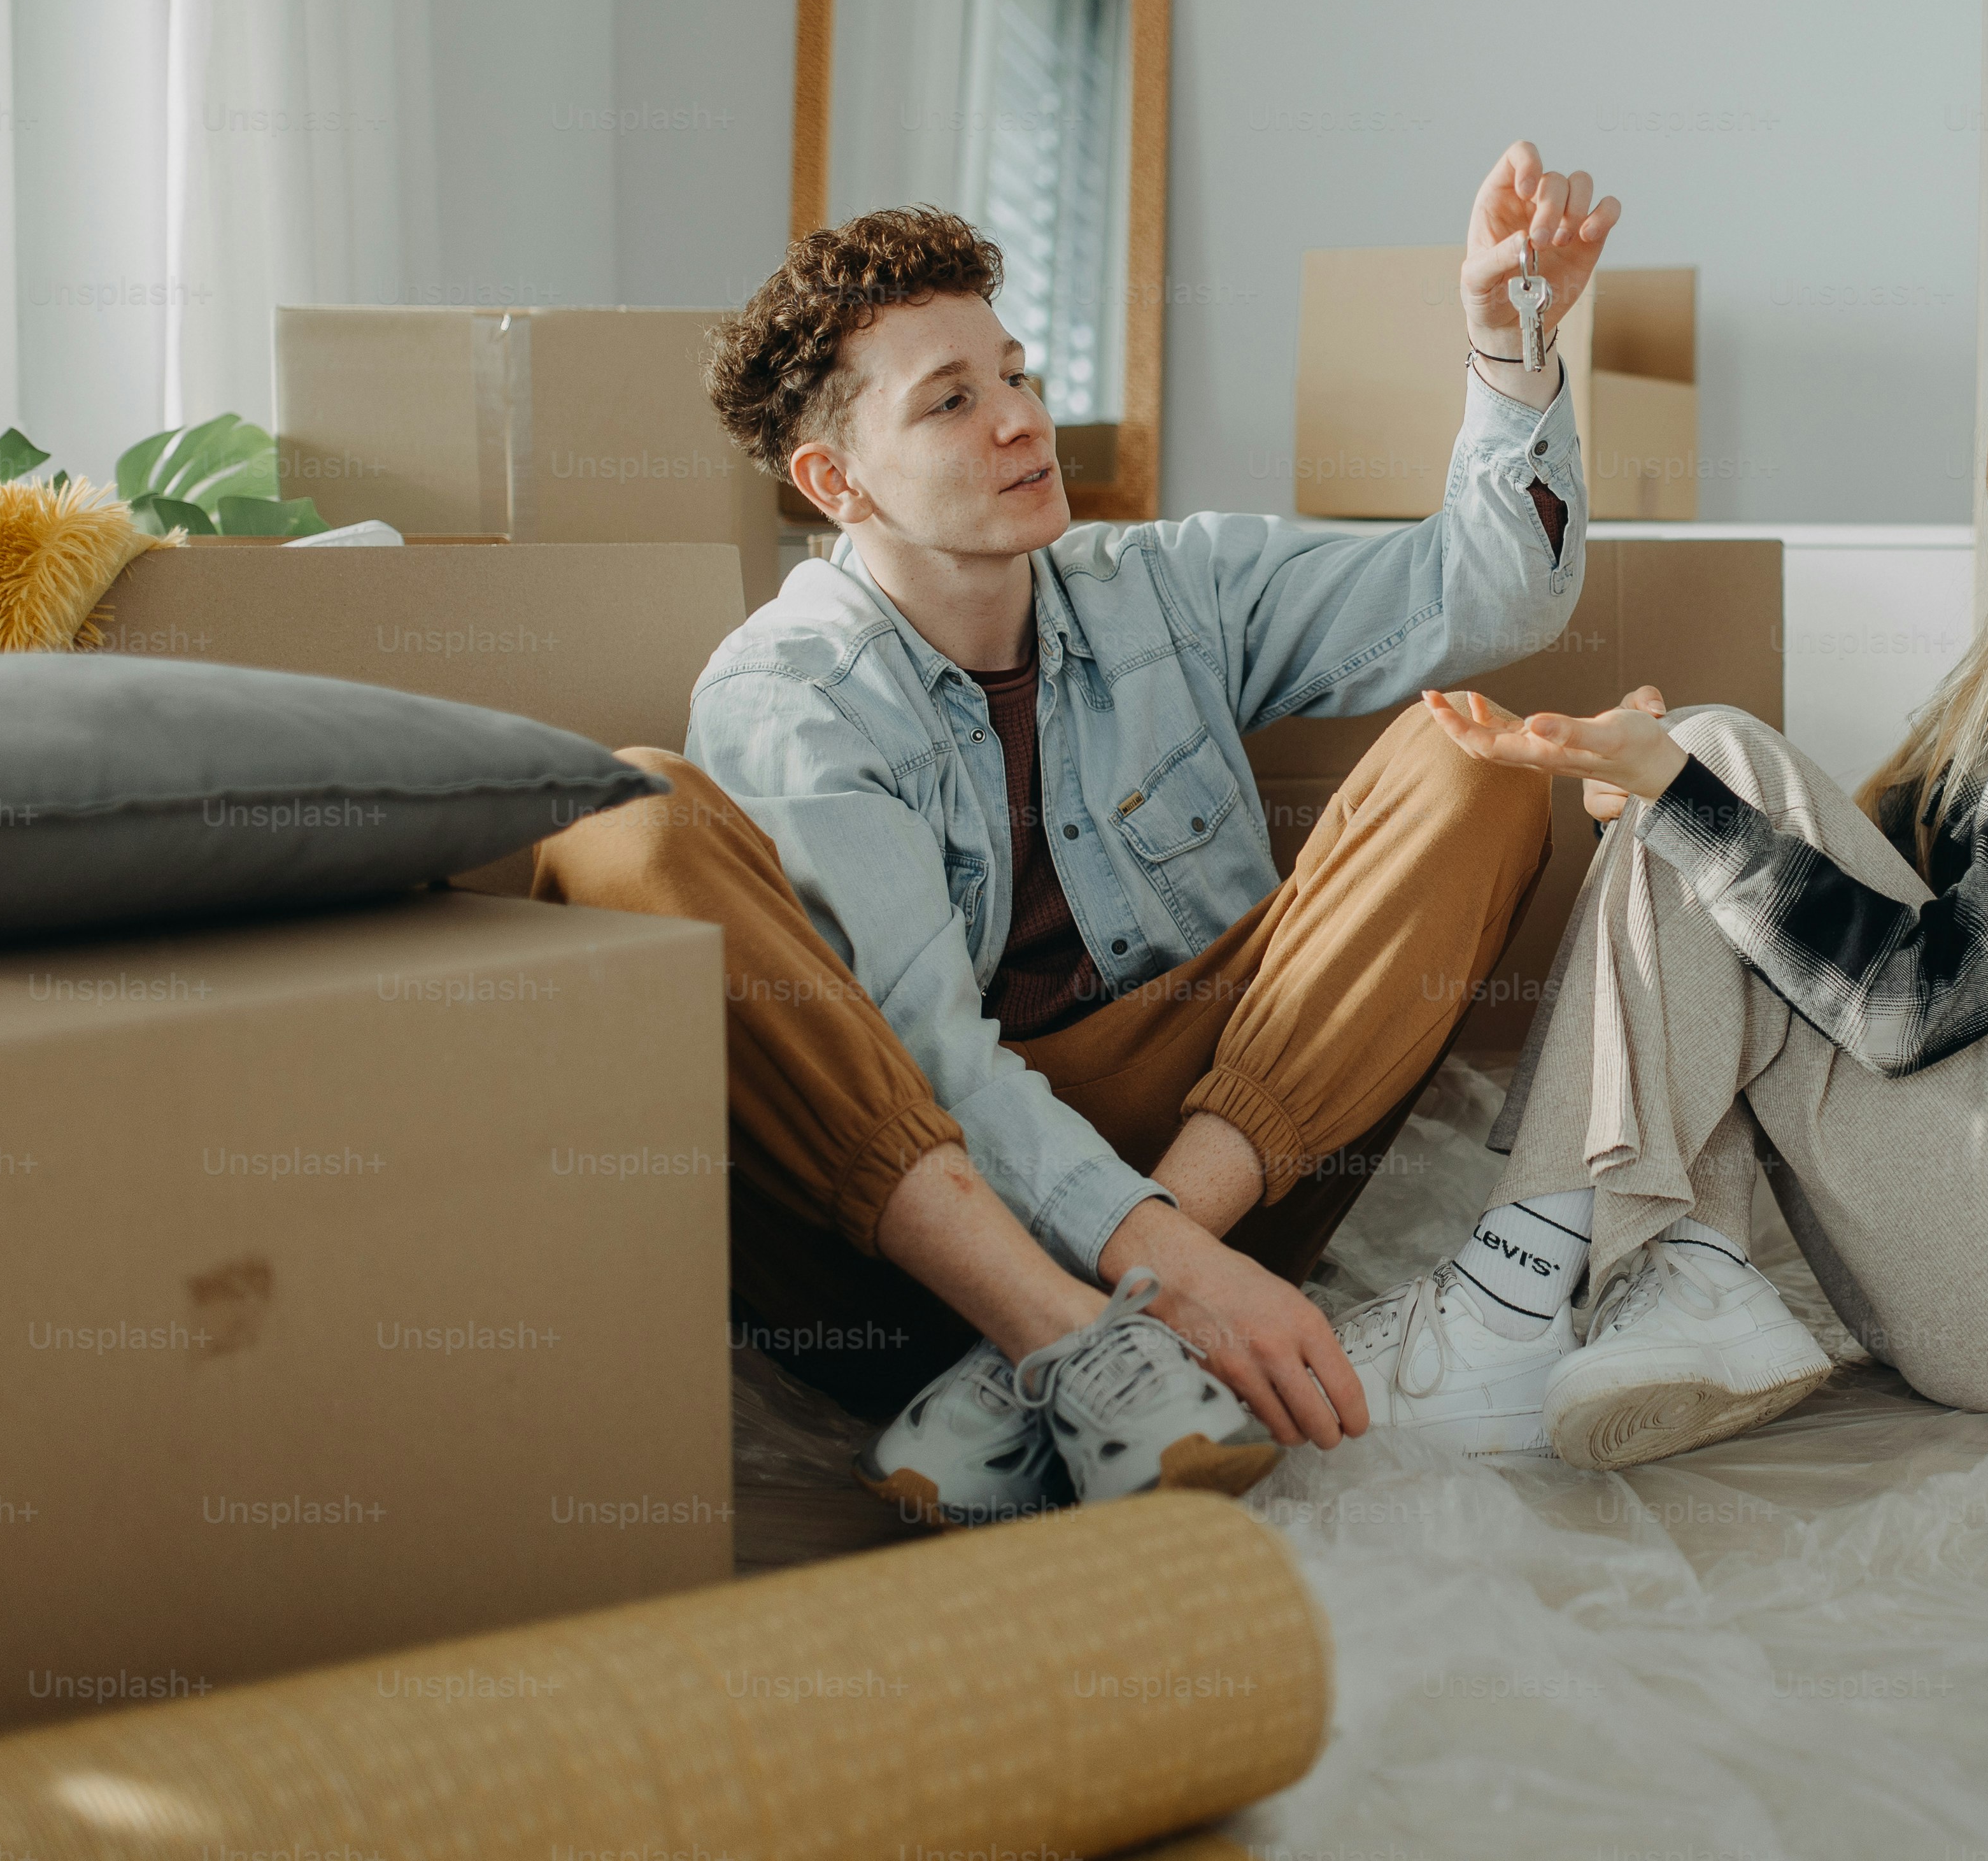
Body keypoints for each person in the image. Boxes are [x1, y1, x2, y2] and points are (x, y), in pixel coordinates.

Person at [526, 143, 1620, 1520]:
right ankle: (1056, 1331)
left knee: (1479, 764)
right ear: (835, 480)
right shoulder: (788, 695)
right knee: (633, 811)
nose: (1021, 422)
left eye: (1020, 374)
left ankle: (1112, 1316)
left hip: (1215, 1162)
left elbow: (1488, 596)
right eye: (951, 402)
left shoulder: (1169, 584)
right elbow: (923, 1055)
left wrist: (1509, 341)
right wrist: (1158, 1273)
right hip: (915, 1238)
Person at [1338, 271, 1988, 1471]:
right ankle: (1681, 1274)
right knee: (1715, 814)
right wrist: (1653, 806)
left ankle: (1511, 1302)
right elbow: (1808, 917)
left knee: (1713, 776)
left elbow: (1908, 1009)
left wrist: (1680, 792)